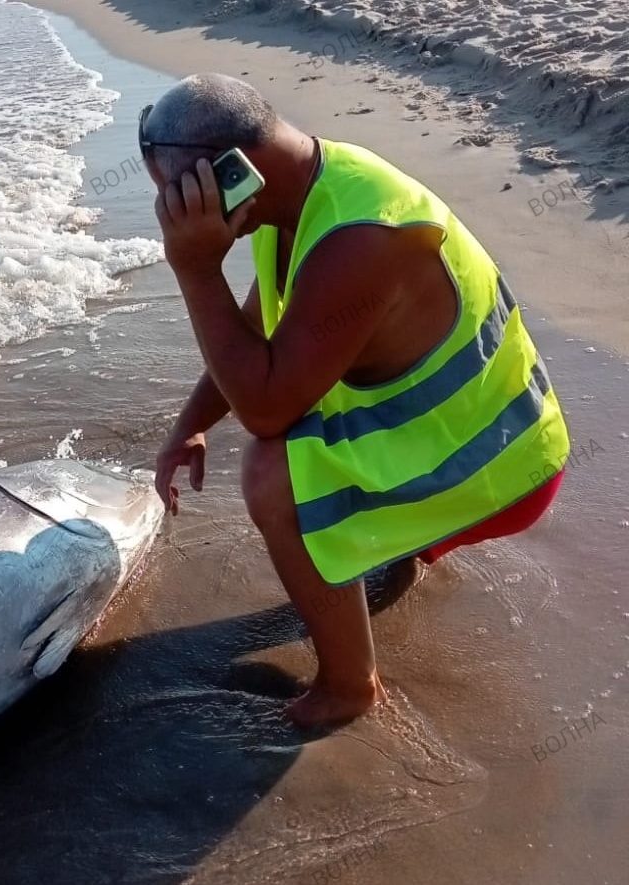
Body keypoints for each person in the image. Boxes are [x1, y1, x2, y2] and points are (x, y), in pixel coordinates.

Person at [141, 73, 570, 727]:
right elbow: (258, 336)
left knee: (271, 472)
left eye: (178, 198)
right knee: (298, 411)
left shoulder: (359, 236)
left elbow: (264, 407)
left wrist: (195, 269)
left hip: (501, 466)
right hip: (464, 425)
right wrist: (189, 426)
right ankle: (397, 547)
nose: (176, 217)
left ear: (233, 174)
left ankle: (350, 685)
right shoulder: (300, 192)